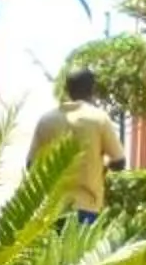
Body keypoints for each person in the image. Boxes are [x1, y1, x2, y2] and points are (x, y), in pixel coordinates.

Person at [30, 66, 124, 225]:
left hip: (52, 209)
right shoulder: (98, 119)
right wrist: (103, 166)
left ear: (67, 89)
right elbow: (119, 162)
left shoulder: (46, 120)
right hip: (87, 205)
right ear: (92, 89)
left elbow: (30, 164)